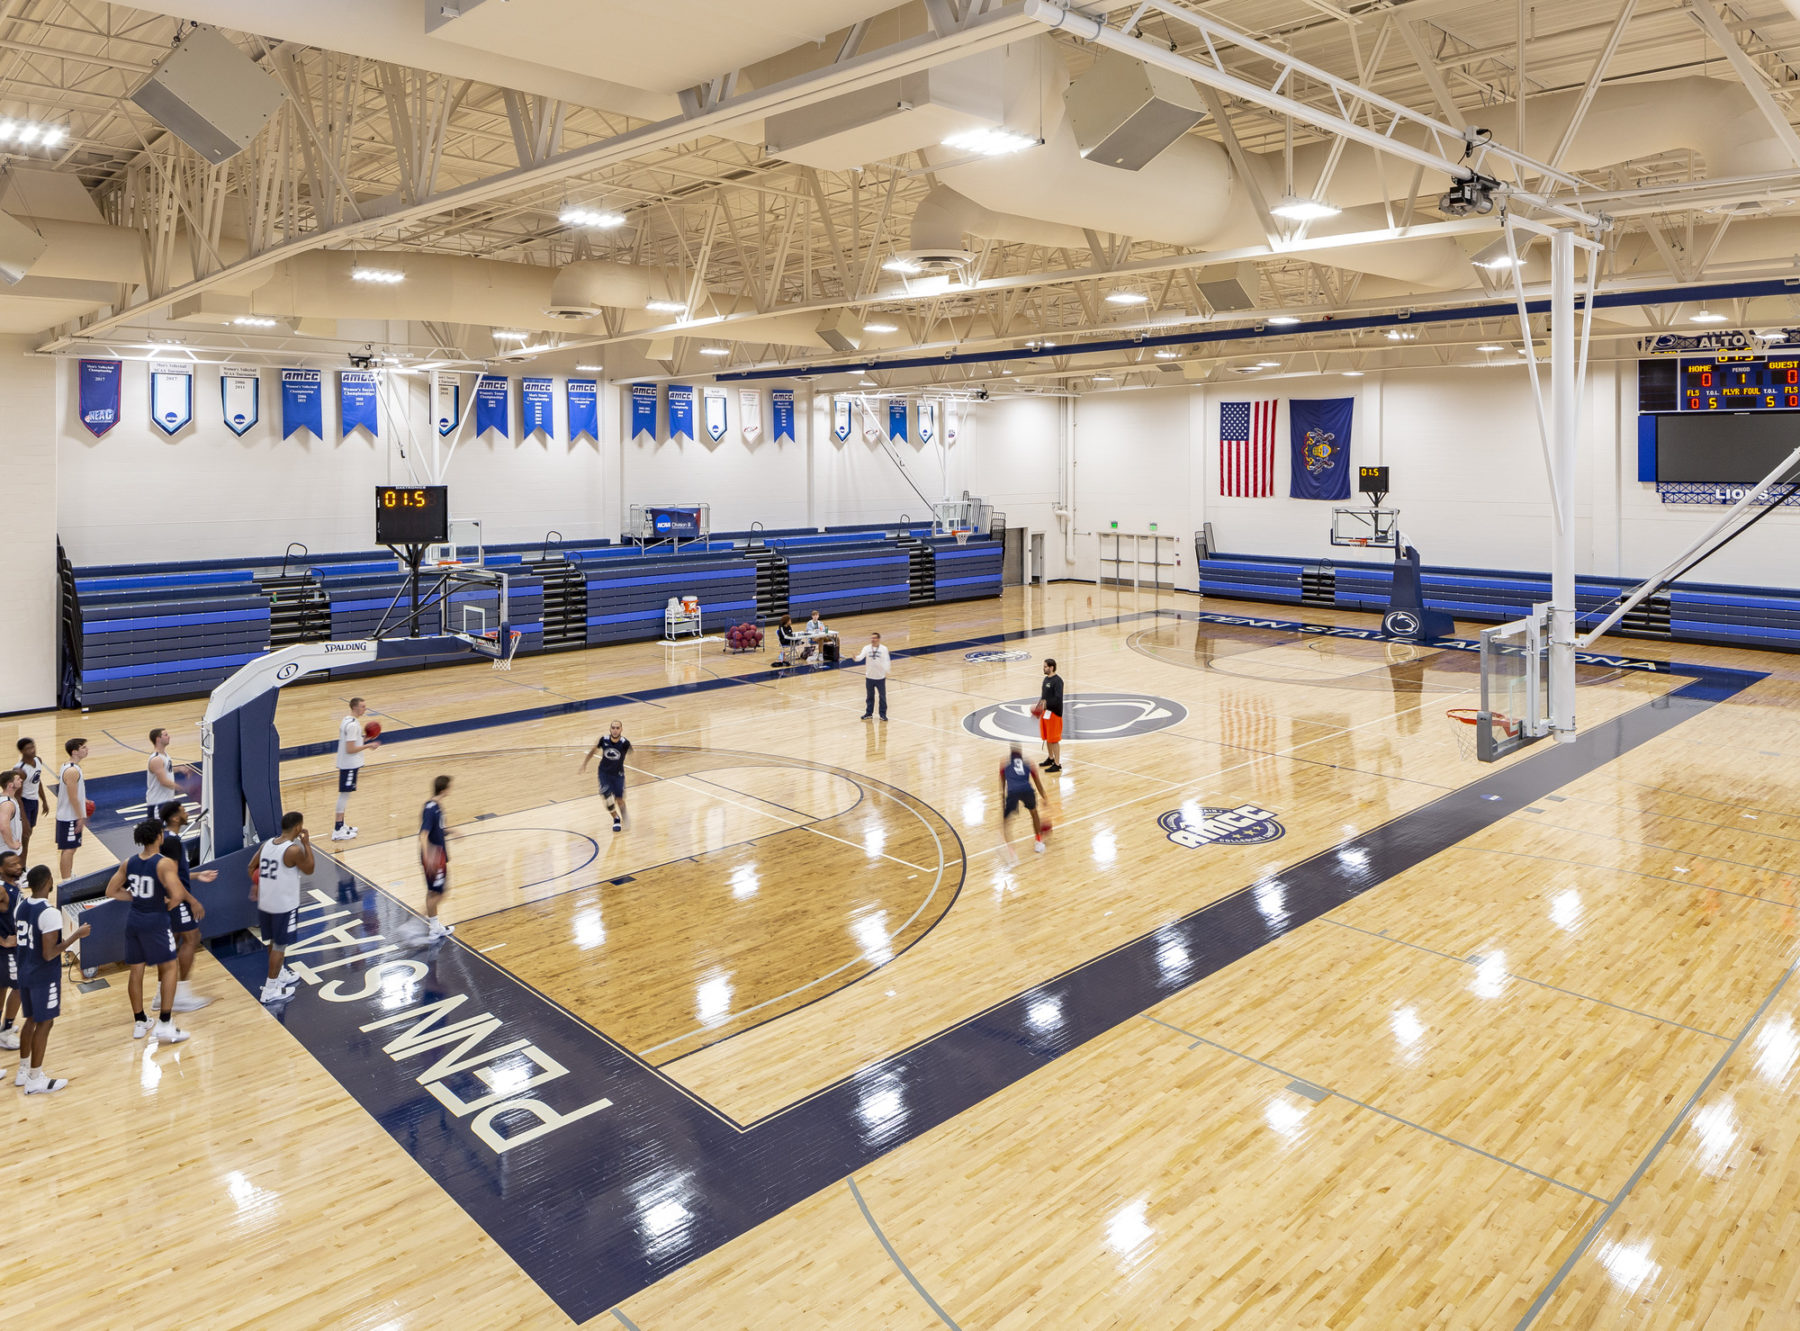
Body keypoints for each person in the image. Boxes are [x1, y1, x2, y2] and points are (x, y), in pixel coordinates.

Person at [104, 818, 197, 1044]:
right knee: (170, 967)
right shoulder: (164, 863)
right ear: (159, 837)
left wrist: (136, 897)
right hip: (155, 922)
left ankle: (140, 1020)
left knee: (136, 971)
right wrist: (163, 903)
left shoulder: (129, 862)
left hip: (134, 919)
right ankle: (165, 1023)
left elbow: (111, 891)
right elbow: (177, 895)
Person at [15, 864, 87, 1092]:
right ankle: (35, 1079)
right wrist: (76, 934)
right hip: (43, 976)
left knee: (31, 1020)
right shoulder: (50, 913)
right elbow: (49, 953)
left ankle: (23, 1070)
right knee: (45, 1022)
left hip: (24, 971)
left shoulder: (21, 906)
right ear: (49, 882)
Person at [160, 801, 218, 1012]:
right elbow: (172, 877)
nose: (186, 813)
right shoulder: (172, 842)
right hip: (177, 900)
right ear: (175, 818)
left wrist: (196, 875)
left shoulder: (168, 839)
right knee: (192, 938)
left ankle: (161, 994)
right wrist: (192, 901)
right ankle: (182, 996)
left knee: (172, 942)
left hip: (172, 898)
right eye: (183, 811)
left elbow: (175, 873)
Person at [253, 812, 313, 1005]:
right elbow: (309, 868)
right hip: (283, 906)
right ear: (297, 828)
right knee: (280, 946)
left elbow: (250, 867)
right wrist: (307, 844)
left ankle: (280, 975)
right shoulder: (293, 850)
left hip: (266, 902)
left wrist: (258, 885)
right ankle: (270, 990)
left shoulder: (267, 844)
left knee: (272, 941)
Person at [333, 697, 381, 841]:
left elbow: (352, 742)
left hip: (347, 763)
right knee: (344, 795)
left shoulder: (347, 720)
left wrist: (366, 738)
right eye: (362, 706)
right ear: (355, 708)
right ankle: (337, 830)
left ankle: (341, 824)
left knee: (345, 795)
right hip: (349, 764)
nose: (365, 709)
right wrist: (369, 745)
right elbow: (351, 749)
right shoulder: (353, 725)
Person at [1000, 742, 1050, 860]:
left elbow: (1002, 787)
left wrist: (1003, 803)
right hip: (1027, 790)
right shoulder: (1028, 764)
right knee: (1034, 813)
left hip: (1013, 792)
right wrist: (1044, 797)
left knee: (1007, 821)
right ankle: (1038, 842)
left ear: (1010, 753)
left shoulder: (1004, 766)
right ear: (1021, 753)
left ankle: (1009, 849)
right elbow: (1037, 782)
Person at [419, 776, 454, 939]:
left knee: (432, 891)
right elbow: (423, 835)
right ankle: (426, 922)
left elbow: (438, 829)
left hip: (437, 856)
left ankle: (435, 926)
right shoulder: (431, 809)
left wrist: (452, 831)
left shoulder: (434, 805)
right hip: (435, 858)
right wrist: (428, 856)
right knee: (441, 892)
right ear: (443, 789)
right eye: (449, 787)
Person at [581, 721, 632, 833]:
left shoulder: (625, 743)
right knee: (607, 797)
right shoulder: (603, 740)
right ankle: (616, 819)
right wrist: (584, 763)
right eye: (613, 728)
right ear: (610, 729)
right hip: (604, 773)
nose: (615, 730)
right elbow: (592, 751)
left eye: (617, 728)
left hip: (618, 774)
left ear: (621, 729)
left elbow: (634, 757)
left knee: (619, 799)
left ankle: (625, 817)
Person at [55, 736, 89, 881]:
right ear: (74, 751)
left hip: (70, 814)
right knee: (68, 849)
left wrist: (84, 800)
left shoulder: (72, 767)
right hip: (69, 816)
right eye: (83, 748)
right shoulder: (72, 771)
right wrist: (81, 816)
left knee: (72, 847)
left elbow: (74, 793)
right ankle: (66, 880)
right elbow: (72, 797)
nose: (87, 750)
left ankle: (68, 875)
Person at [145, 727, 194, 814]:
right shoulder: (156, 759)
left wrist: (179, 768)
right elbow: (163, 781)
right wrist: (182, 787)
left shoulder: (165, 755)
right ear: (158, 739)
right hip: (158, 803)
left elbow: (165, 769)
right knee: (158, 827)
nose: (169, 737)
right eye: (166, 735)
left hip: (166, 801)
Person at [14, 738, 45, 861]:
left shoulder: (38, 760)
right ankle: (19, 867)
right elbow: (17, 796)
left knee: (28, 836)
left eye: (33, 747)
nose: (32, 750)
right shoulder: (19, 770)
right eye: (28, 749)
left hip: (34, 801)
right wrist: (24, 819)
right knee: (23, 836)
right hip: (23, 803)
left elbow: (38, 780)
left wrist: (44, 801)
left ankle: (22, 865)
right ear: (21, 751)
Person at [0, 851, 19, 1051]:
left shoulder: (13, 886)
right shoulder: (2, 890)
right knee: (19, 986)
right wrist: (3, 941)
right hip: (6, 950)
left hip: (10, 949)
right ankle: (6, 1030)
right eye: (12, 865)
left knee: (2, 987)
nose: (17, 867)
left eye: (18, 863)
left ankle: (2, 1028)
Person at [856, 631, 891, 721]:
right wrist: (855, 658)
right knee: (869, 697)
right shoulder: (867, 648)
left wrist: (888, 670)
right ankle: (869, 713)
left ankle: (882, 714)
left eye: (874, 638)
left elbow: (887, 661)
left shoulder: (883, 649)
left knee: (882, 697)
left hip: (880, 678)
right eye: (871, 638)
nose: (873, 639)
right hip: (869, 677)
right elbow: (860, 657)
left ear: (878, 639)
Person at [1039, 658, 1066, 773]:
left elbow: (1058, 698)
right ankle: (1050, 758)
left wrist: (1047, 704)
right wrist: (1041, 704)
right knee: (1047, 737)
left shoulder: (1058, 681)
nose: (1043, 668)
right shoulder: (1045, 680)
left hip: (1054, 713)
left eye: (1045, 666)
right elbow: (1044, 695)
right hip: (1046, 713)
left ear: (1051, 667)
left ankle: (1057, 763)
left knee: (1054, 739)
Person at [0, 769, 22, 863]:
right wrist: (12, 844)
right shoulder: (8, 804)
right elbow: (4, 827)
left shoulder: (6, 799)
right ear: (10, 785)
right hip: (5, 851)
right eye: (18, 779)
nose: (21, 780)